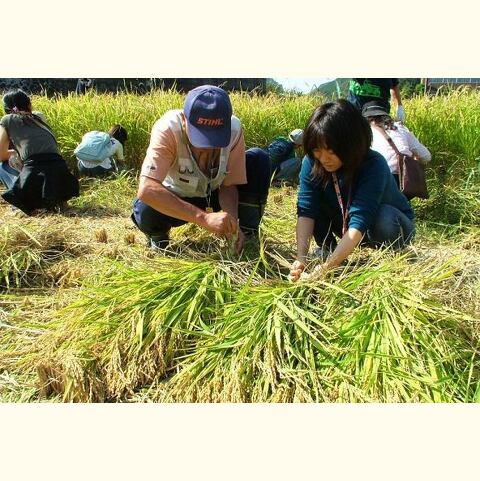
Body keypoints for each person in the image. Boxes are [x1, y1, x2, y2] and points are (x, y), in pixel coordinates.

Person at [131, 85, 270, 253]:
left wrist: (231, 224)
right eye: (201, 138)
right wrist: (203, 218)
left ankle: (246, 234)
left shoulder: (234, 130)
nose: (209, 148)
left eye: (216, 138)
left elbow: (229, 185)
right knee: (146, 207)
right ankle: (159, 237)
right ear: (184, 120)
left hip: (213, 194)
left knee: (258, 159)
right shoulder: (168, 129)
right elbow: (147, 189)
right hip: (177, 200)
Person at [289, 100, 415, 282]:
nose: (323, 158)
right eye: (317, 150)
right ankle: (329, 249)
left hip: (387, 225)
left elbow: (360, 219)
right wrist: (301, 258)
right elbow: (306, 210)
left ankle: (393, 252)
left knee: (384, 218)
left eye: (331, 151)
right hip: (348, 226)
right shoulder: (313, 162)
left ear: (350, 144)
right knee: (315, 204)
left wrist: (326, 268)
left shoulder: (373, 164)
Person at [0, 89, 79, 214]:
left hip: (34, 171)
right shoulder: (39, 116)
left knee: (2, 166)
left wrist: (16, 153)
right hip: (60, 173)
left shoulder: (7, 120)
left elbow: (1, 154)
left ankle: (22, 198)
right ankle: (54, 199)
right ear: (29, 104)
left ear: (7, 109)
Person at [362, 101, 431, 187]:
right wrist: (413, 157)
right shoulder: (400, 128)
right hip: (405, 180)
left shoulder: (365, 133)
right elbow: (426, 156)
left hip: (378, 179)